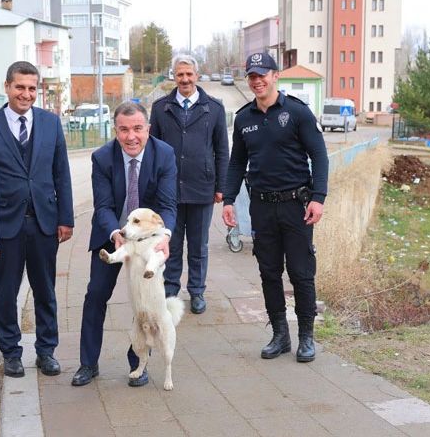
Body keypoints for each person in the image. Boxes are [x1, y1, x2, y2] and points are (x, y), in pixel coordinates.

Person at [221, 52, 329, 362]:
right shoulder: (243, 119)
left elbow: (319, 156)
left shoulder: (297, 112)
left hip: (297, 206)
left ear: (275, 75)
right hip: (262, 207)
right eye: (252, 76)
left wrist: (319, 198)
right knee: (269, 272)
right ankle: (280, 335)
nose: (257, 80)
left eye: (262, 74)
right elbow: (237, 162)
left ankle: (306, 336)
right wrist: (229, 200)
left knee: (301, 272)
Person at [0, 61, 74, 379]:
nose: (26, 94)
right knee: (5, 293)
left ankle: (47, 352)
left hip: (44, 223)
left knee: (45, 290)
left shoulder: (50, 123)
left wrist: (66, 217)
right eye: (20, 87)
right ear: (7, 87)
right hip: (4, 225)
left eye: (32, 88)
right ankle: (11, 353)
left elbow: (61, 172)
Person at [72, 102, 177, 388]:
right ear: (115, 130)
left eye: (137, 129)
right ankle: (88, 363)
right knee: (95, 295)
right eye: (124, 130)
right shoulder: (102, 158)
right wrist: (115, 233)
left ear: (148, 129)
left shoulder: (164, 154)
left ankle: (139, 365)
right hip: (113, 236)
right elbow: (103, 206)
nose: (131, 137)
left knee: (144, 303)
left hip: (148, 242)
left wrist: (165, 236)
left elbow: (168, 205)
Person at [150, 54, 228, 314]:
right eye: (179, 74)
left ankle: (197, 291)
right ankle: (171, 289)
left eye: (189, 74)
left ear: (197, 75)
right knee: (170, 243)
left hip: (202, 187)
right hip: (169, 189)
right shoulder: (161, 108)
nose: (184, 79)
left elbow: (222, 150)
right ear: (174, 75)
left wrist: (221, 186)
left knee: (198, 245)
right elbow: (152, 149)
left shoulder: (213, 109)